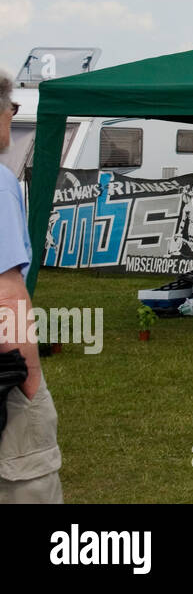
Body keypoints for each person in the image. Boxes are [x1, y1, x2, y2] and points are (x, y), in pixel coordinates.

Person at [0, 69, 63, 503]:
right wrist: (31, 380)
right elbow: (5, 293)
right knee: (29, 481)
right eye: (12, 109)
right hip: (6, 379)